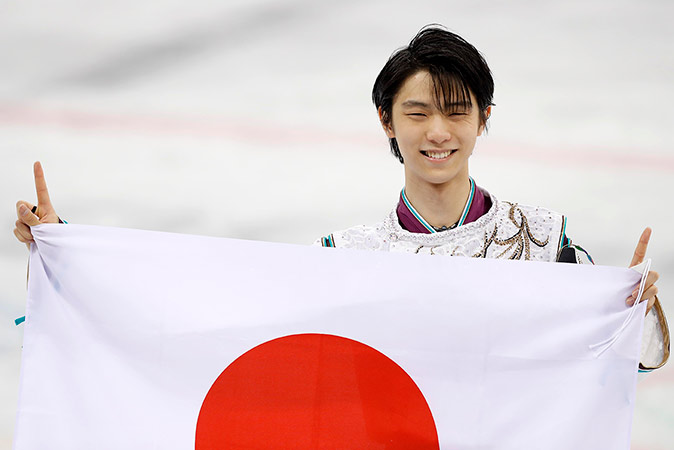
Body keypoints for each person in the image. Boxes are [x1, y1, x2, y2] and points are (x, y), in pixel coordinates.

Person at [13, 26, 668, 371]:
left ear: (483, 117)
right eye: (417, 112)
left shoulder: (540, 239)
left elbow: (636, 364)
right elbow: (213, 322)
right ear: (387, 120)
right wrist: (70, 253)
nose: (437, 132)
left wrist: (635, 306)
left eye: (456, 111)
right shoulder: (348, 259)